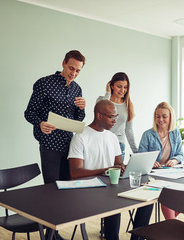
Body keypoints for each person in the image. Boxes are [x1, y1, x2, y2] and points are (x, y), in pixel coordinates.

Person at [68, 100, 152, 240]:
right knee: (113, 202)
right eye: (111, 117)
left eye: (116, 116)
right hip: (89, 190)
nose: (115, 121)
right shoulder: (81, 137)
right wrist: (104, 170)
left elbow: (118, 164)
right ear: (99, 116)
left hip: (111, 186)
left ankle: (137, 238)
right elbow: (75, 173)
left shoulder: (112, 137)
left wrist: (124, 167)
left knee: (147, 198)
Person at [24, 50, 86, 184]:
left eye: (78, 71)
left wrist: (82, 108)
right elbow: (29, 112)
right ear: (63, 63)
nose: (73, 73)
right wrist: (40, 123)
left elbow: (77, 119)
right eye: (71, 68)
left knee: (68, 187)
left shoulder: (77, 89)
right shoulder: (44, 83)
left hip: (70, 145)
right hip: (49, 143)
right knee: (51, 189)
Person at [138, 102, 184, 220]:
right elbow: (140, 156)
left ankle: (170, 226)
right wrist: (149, 162)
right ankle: (171, 225)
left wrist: (174, 160)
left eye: (164, 116)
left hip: (169, 174)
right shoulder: (147, 134)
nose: (161, 119)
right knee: (166, 195)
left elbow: (180, 154)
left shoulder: (175, 133)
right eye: (157, 116)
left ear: (170, 117)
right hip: (151, 176)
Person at [96, 72, 138, 161]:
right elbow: (99, 118)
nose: (122, 90)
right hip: (102, 143)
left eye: (125, 87)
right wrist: (107, 93)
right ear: (111, 86)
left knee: (117, 174)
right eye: (119, 86)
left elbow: (129, 130)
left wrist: (136, 152)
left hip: (119, 146)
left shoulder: (128, 105)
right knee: (102, 173)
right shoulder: (101, 100)